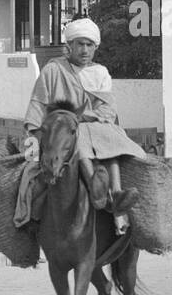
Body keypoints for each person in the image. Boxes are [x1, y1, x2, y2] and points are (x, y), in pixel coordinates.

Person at [14, 18, 142, 236]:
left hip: (98, 128)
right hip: (62, 133)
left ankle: (117, 195)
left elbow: (108, 110)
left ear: (95, 48)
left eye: (89, 45)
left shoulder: (101, 72)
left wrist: (88, 117)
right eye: (80, 44)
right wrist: (33, 146)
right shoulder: (53, 70)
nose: (84, 50)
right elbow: (37, 107)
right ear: (69, 46)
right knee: (45, 166)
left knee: (113, 148)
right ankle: (94, 189)